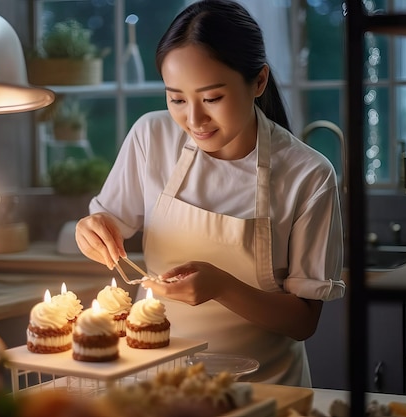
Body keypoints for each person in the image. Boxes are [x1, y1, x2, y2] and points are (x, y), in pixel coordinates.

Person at [75, 0, 345, 387]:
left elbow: (303, 321)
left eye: (212, 98)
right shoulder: (150, 138)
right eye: (177, 99)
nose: (194, 120)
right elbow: (104, 222)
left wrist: (222, 286)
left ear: (258, 81)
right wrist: (90, 229)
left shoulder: (308, 174)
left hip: (264, 390)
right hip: (154, 385)